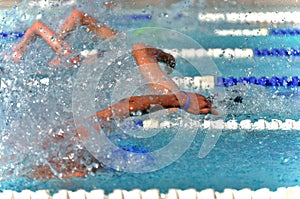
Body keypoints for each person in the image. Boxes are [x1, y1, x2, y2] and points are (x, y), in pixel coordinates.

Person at [8, 7, 215, 179]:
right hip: (154, 101)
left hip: (170, 107)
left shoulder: (66, 136)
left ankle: (164, 62)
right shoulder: (31, 156)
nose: (82, 173)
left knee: (142, 56)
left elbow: (124, 106)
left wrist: (181, 100)